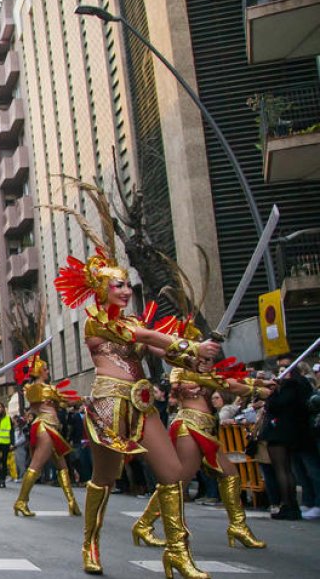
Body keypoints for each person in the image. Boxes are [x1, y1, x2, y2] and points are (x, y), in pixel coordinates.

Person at [52, 189, 221, 578]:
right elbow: (147, 340)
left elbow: (163, 351)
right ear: (100, 291)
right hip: (109, 407)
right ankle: (90, 544)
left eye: (127, 285)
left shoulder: (133, 324)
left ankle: (177, 551)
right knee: (104, 479)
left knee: (173, 475)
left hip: (142, 404)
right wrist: (186, 343)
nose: (126, 291)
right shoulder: (98, 323)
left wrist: (195, 355)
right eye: (118, 287)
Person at [129, 338, 272, 550]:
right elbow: (224, 384)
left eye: (210, 356)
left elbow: (227, 380)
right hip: (189, 428)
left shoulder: (207, 372)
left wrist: (260, 384)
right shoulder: (181, 370)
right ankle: (144, 524)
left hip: (206, 428)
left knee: (230, 475)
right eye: (204, 355)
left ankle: (238, 526)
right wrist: (260, 391)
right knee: (178, 482)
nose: (207, 359)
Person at [13, 356, 82, 516]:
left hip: (52, 428)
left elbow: (63, 402)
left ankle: (72, 502)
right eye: (45, 369)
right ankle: (21, 501)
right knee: (36, 465)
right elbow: (61, 400)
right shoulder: (39, 389)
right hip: (45, 428)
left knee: (62, 467)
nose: (48, 372)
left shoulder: (45, 389)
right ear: (39, 371)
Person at [263, 354, 313, 520]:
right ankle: (289, 504)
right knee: (287, 469)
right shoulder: (300, 384)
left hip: (281, 430)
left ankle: (289, 505)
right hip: (291, 430)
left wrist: (273, 392)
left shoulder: (291, 386)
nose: (281, 371)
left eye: (284, 368)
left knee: (282, 469)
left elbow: (275, 405)